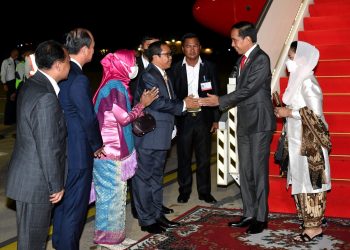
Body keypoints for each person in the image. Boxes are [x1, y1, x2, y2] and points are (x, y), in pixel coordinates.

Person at [199, 21, 276, 234]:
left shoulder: (261, 59)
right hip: (244, 121)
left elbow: (249, 90)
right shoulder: (242, 60)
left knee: (258, 172)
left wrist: (220, 101)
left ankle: (261, 217)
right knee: (245, 170)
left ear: (247, 39)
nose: (232, 44)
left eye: (235, 39)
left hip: (260, 122)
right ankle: (249, 213)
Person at [5, 40, 69, 250]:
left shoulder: (32, 83)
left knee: (28, 240)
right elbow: (48, 146)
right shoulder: (46, 97)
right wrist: (56, 184)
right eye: (68, 61)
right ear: (58, 64)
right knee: (33, 243)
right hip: (37, 182)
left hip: (26, 176)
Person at [92, 49, 158, 250]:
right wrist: (142, 104)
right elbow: (124, 119)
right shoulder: (114, 88)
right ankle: (107, 240)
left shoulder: (117, 85)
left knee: (118, 197)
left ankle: (116, 237)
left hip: (115, 152)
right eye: (132, 64)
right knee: (110, 199)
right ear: (122, 66)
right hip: (110, 154)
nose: (135, 68)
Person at [132, 40, 199, 234]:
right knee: (144, 179)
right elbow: (157, 103)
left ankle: (156, 215)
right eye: (167, 54)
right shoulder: (149, 76)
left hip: (160, 134)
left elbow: (167, 101)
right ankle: (147, 220)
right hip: (149, 136)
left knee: (155, 177)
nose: (170, 57)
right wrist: (184, 105)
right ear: (155, 57)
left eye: (170, 54)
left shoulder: (163, 74)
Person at [52, 28, 105, 250]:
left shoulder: (55, 73)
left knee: (62, 206)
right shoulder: (78, 79)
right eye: (92, 47)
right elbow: (88, 118)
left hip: (59, 150)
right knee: (75, 208)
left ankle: (58, 243)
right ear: (84, 49)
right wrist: (97, 145)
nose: (94, 51)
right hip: (77, 154)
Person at [274, 41, 331, 242]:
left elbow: (315, 115)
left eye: (291, 58)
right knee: (301, 181)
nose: (289, 62)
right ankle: (309, 220)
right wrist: (284, 111)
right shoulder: (297, 81)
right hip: (297, 141)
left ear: (302, 60)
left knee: (310, 183)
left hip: (309, 144)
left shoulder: (308, 81)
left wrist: (288, 112)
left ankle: (314, 227)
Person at [172, 33, 220, 204]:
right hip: (184, 119)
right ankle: (184, 190)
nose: (191, 49)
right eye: (188, 46)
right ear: (183, 48)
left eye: (195, 46)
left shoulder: (210, 66)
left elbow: (216, 93)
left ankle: (204, 191)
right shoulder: (175, 68)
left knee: (204, 158)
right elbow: (172, 96)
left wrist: (215, 119)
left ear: (199, 48)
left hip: (203, 118)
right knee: (183, 157)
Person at [1, 48, 19, 125]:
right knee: (9, 102)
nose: (16, 54)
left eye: (17, 53)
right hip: (9, 83)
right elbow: (3, 73)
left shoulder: (17, 62)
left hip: (16, 83)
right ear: (12, 53)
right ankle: (7, 120)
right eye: (15, 53)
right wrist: (4, 84)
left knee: (14, 101)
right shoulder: (6, 61)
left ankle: (13, 119)